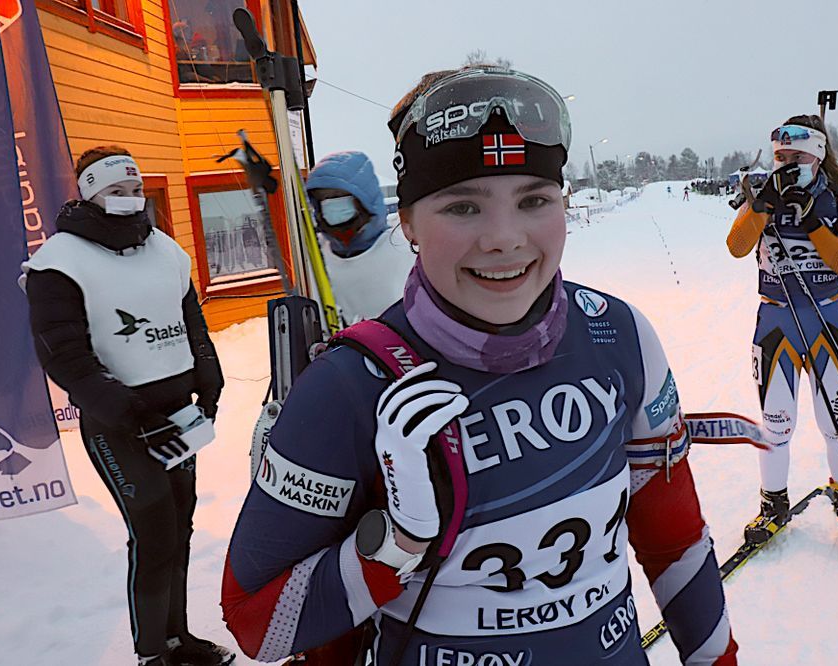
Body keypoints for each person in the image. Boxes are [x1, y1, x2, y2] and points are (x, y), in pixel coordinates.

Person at [221, 66, 737, 665]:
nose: (504, 237)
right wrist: (397, 541)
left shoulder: (617, 334)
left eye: (534, 200)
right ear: (407, 223)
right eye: (463, 206)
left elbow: (674, 541)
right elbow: (257, 625)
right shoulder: (344, 389)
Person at [21, 146, 234, 666]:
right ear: (89, 194)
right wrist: (135, 415)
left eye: (136, 190)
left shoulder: (165, 250)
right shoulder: (58, 263)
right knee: (154, 533)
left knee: (180, 526)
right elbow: (66, 358)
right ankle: (151, 653)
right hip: (120, 424)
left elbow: (192, 326)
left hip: (178, 417)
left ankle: (179, 638)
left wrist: (209, 379)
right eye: (117, 192)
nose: (131, 200)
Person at [725, 116, 838, 547]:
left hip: (827, 318)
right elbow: (736, 247)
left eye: (797, 157)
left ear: (818, 156)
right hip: (776, 321)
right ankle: (773, 503)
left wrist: (812, 224)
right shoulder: (760, 193)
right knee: (775, 424)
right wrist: (761, 207)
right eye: (781, 157)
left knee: (836, 421)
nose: (787, 164)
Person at [305, 151, 415, 324]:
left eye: (338, 196)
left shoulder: (403, 251)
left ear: (365, 199)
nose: (331, 205)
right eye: (324, 199)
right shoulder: (317, 257)